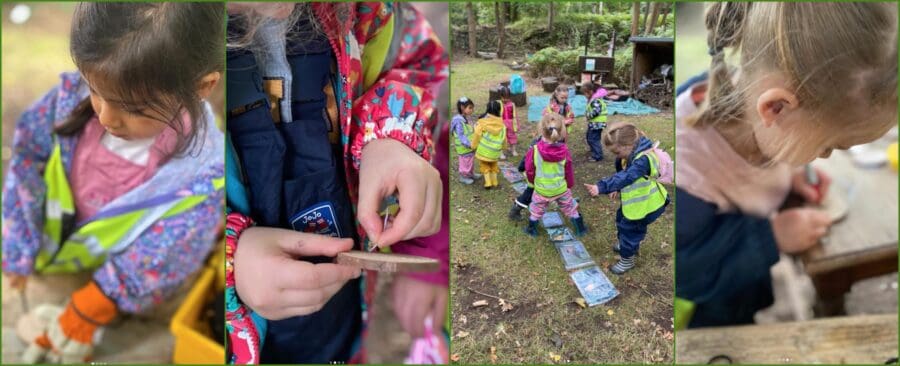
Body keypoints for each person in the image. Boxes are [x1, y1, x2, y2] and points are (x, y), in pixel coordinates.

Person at [223, 2, 448, 363]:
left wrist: (390, 133)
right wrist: (228, 262)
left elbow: (419, 60)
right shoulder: (143, 48)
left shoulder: (366, 9)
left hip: (342, 314)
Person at [2, 3, 225, 363]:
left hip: (123, 279)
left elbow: (167, 251)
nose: (105, 116)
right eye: (94, 89)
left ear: (202, 87)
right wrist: (18, 245)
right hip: (60, 253)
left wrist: (99, 302)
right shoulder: (64, 100)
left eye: (134, 108)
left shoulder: (202, 176)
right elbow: (27, 164)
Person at [674, 2, 897, 329]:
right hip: (714, 306)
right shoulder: (686, 174)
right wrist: (772, 237)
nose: (827, 157)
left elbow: (777, 141)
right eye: (828, 147)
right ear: (776, 108)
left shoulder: (755, 102)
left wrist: (792, 177)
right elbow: (687, 272)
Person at [585, 123, 669, 275]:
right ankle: (628, 246)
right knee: (622, 221)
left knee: (630, 231)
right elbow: (624, 174)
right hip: (634, 204)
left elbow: (627, 176)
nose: (617, 156)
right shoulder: (633, 153)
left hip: (644, 206)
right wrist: (616, 187)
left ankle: (627, 259)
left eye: (617, 152)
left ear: (628, 145)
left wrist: (602, 187)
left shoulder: (642, 160)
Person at [524, 114, 586, 237]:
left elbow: (529, 170)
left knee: (536, 210)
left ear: (541, 130)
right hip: (561, 189)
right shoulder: (565, 150)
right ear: (561, 131)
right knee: (570, 208)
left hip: (542, 190)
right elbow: (568, 170)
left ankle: (532, 230)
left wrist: (531, 182)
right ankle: (581, 229)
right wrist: (569, 185)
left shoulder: (534, 150)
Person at [471, 100, 507, 189]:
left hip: (484, 151)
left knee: (484, 165)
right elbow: (504, 138)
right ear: (499, 110)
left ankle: (488, 183)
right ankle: (495, 182)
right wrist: (504, 147)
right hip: (495, 152)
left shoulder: (482, 123)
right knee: (494, 164)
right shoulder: (502, 125)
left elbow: (477, 135)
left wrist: (473, 145)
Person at [451, 96, 478, 184]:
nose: (471, 110)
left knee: (470, 161)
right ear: (462, 108)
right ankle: (463, 176)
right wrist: (468, 143)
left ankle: (470, 174)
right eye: (470, 108)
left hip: (470, 146)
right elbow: (461, 135)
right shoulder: (459, 121)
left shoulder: (466, 118)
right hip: (464, 147)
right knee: (465, 162)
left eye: (472, 108)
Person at [582, 82, 608, 162]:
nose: (584, 96)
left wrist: (588, 116)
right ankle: (594, 150)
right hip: (594, 124)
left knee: (593, 139)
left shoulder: (596, 101)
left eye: (585, 93)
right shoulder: (593, 100)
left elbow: (596, 111)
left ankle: (598, 155)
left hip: (597, 124)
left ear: (590, 92)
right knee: (589, 137)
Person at [498, 86, 519, 158]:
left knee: (512, 137)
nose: (506, 99)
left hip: (511, 124)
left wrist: (517, 126)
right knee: (501, 138)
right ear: (501, 96)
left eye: (507, 97)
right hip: (501, 125)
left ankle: (513, 150)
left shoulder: (512, 104)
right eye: (504, 97)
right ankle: (501, 153)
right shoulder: (498, 104)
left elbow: (515, 116)